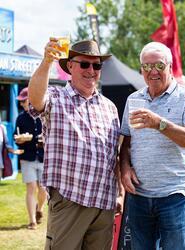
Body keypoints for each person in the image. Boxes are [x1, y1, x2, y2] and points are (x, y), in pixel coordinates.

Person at [28, 39, 121, 250]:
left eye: (96, 65)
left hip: (104, 203)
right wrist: (46, 62)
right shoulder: (56, 96)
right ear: (70, 65)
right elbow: (35, 99)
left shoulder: (110, 107)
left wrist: (120, 194)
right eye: (84, 64)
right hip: (70, 198)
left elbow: (113, 155)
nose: (91, 70)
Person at [119, 42, 185, 250]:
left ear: (170, 66)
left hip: (174, 196)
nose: (152, 71)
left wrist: (160, 124)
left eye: (158, 65)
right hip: (139, 195)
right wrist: (124, 169)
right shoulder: (134, 99)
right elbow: (126, 144)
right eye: (146, 67)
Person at [14, 87, 47, 230]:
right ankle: (32, 220)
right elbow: (16, 137)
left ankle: (39, 208)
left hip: (44, 156)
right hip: (27, 157)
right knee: (31, 187)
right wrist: (19, 140)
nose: (22, 104)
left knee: (43, 188)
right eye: (20, 102)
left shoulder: (44, 115)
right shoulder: (20, 118)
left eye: (24, 101)